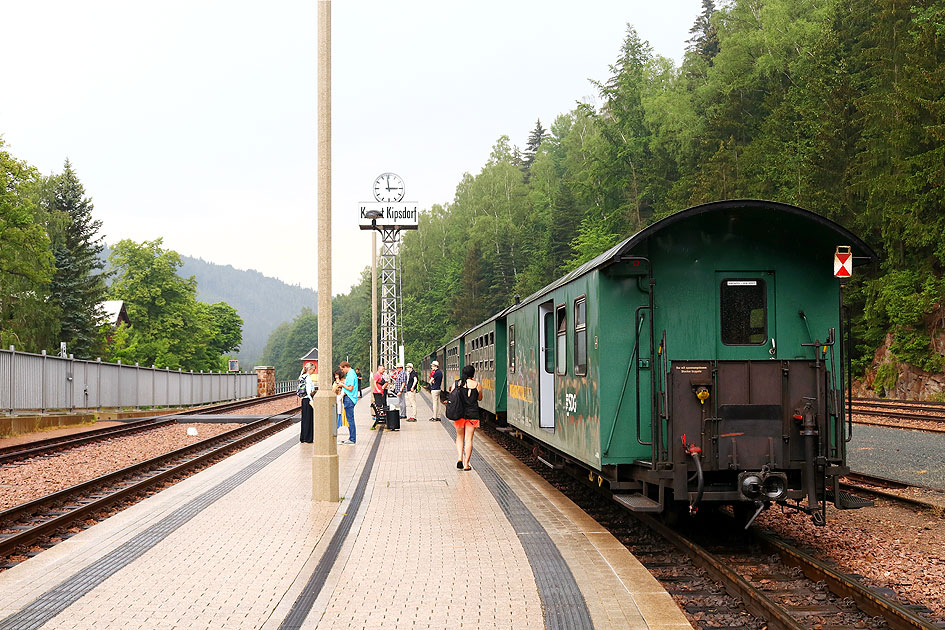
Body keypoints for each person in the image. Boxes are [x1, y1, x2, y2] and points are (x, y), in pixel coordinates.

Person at [450, 365, 482, 471]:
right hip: (472, 415)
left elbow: (452, 395)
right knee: (469, 439)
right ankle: (466, 463)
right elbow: (480, 398)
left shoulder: (457, 383)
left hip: (459, 414)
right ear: (473, 374)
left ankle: (459, 458)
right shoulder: (477, 384)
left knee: (459, 437)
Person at [338, 361, 358, 444]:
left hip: (349, 398)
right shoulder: (352, 373)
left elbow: (350, 388)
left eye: (342, 369)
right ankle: (351, 438)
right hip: (350, 399)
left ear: (346, 367)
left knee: (350, 419)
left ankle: (352, 439)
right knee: (350, 419)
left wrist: (342, 385)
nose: (342, 371)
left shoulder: (351, 374)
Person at [299, 363, 316, 443]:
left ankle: (303, 437)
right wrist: (311, 401)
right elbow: (309, 391)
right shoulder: (308, 378)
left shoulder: (302, 376)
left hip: (303, 400)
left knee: (304, 419)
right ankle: (308, 438)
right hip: (308, 400)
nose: (314, 371)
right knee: (309, 419)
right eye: (313, 369)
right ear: (310, 369)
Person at [371, 365, 387, 430]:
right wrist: (377, 389)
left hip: (381, 392)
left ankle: (381, 414)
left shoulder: (381, 375)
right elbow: (374, 382)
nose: (383, 370)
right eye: (382, 369)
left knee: (382, 403)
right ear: (379, 369)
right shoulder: (377, 375)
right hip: (377, 392)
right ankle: (379, 416)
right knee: (379, 404)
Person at [333, 369, 345, 434]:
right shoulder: (335, 383)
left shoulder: (344, 381)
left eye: (337, 375)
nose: (336, 377)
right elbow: (333, 391)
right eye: (335, 375)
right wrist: (337, 384)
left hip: (342, 401)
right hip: (337, 400)